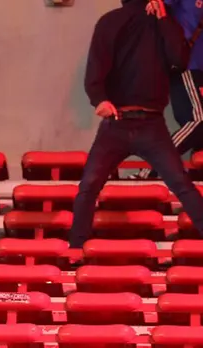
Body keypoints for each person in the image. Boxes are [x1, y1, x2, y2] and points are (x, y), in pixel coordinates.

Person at [71, 0, 203, 248]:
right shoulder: (113, 22)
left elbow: (179, 59)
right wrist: (99, 100)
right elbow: (96, 67)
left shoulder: (159, 23)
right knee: (90, 184)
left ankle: (76, 249)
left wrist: (164, 19)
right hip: (121, 121)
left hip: (147, 123)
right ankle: (76, 248)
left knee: (180, 184)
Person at [131, 0, 203, 179]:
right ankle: (151, 168)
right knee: (199, 120)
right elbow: (155, 6)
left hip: (198, 67)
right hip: (187, 64)